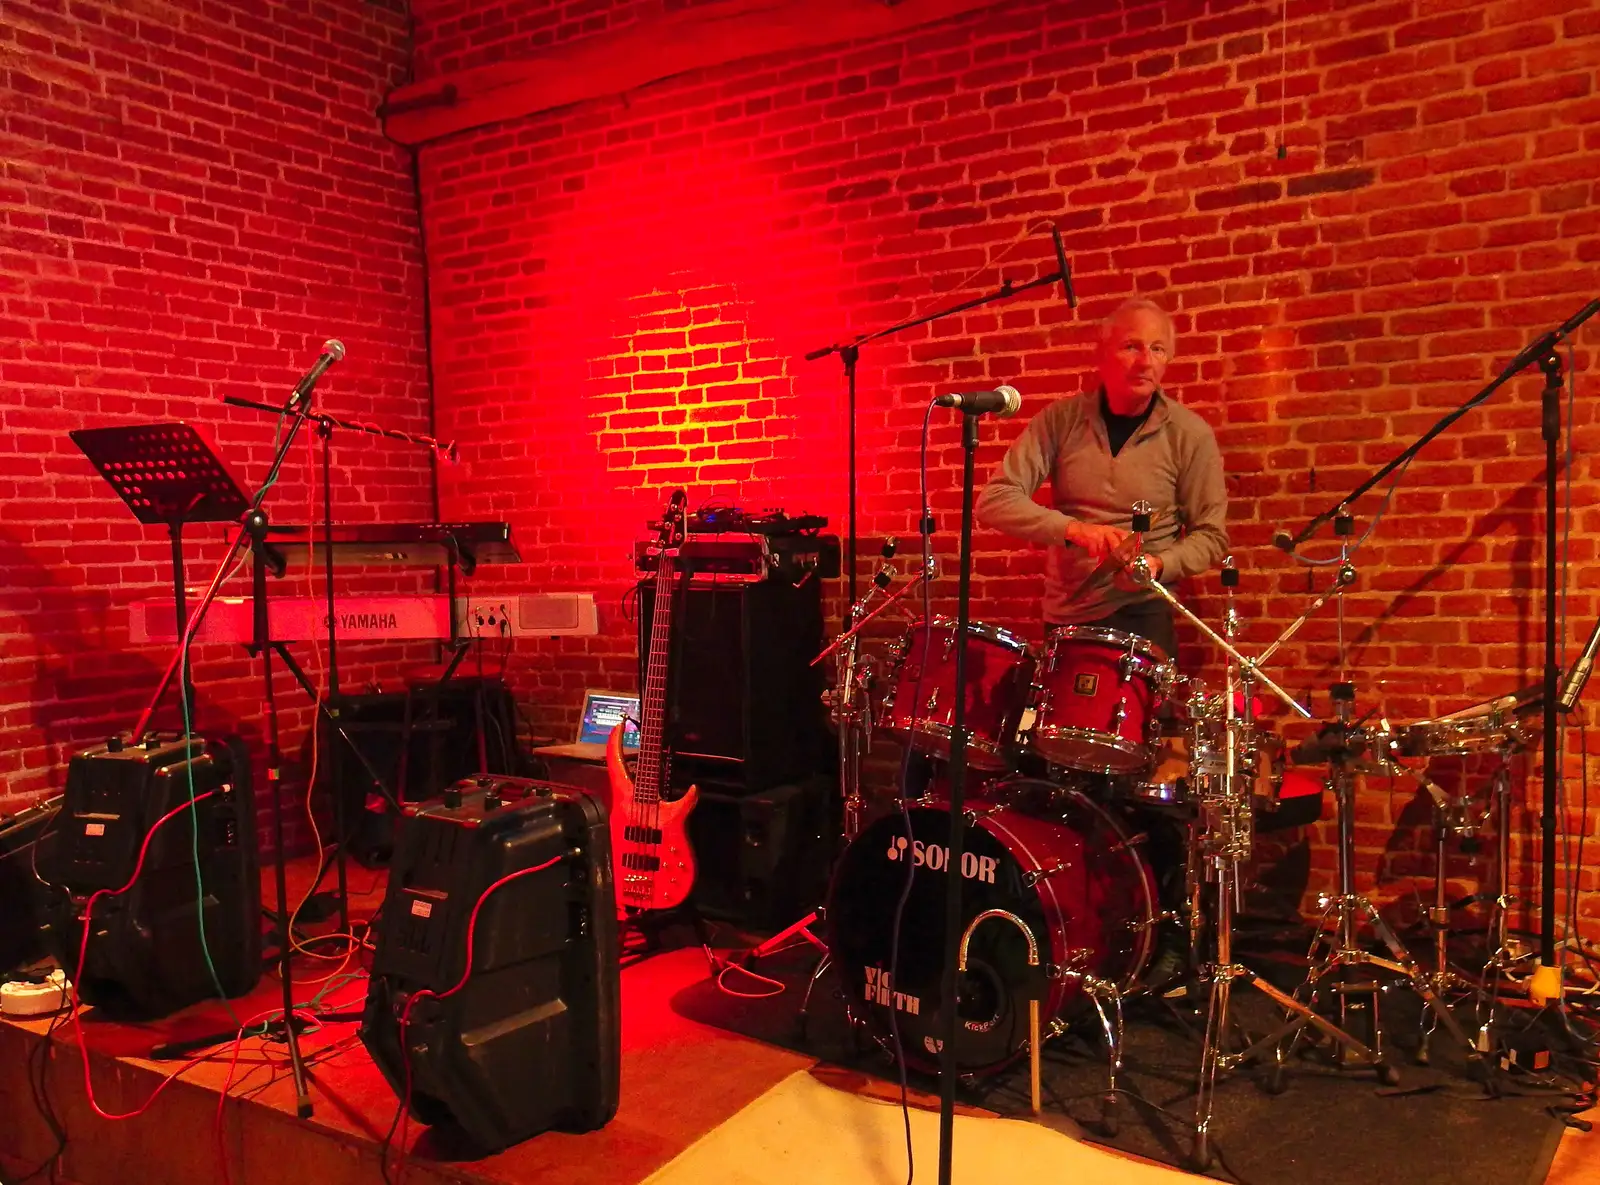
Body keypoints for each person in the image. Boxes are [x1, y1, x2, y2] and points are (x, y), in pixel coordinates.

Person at [975, 297, 1228, 660]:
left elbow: (1212, 535)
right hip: (1068, 616)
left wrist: (1158, 565)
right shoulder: (1060, 420)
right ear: (1103, 355)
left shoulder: (1190, 434)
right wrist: (1076, 530)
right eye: (1131, 347)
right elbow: (995, 500)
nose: (1145, 361)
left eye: (1157, 349)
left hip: (1145, 611)